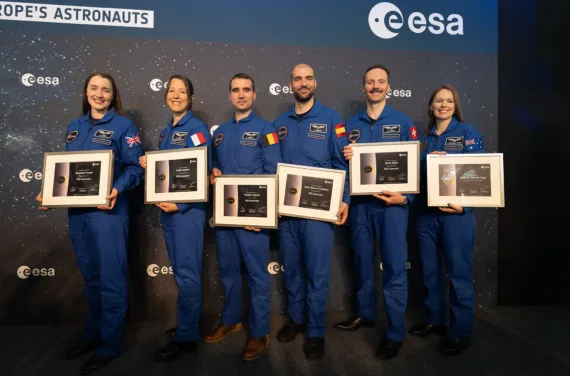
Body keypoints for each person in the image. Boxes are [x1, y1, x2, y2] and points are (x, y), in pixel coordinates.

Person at [36, 72, 144, 374]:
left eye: (105, 90)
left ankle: (110, 344)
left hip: (107, 211)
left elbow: (136, 168)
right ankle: (93, 335)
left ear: (113, 95)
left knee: (111, 279)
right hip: (78, 213)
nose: (99, 94)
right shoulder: (75, 127)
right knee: (91, 278)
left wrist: (116, 189)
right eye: (94, 88)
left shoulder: (123, 126)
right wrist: (51, 192)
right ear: (86, 92)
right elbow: (67, 174)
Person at [336, 64, 418, 360]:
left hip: (391, 206)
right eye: (370, 82)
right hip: (360, 206)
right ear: (363, 88)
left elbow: (413, 164)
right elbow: (341, 168)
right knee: (361, 262)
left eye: (381, 82)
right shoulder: (348, 125)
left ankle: (395, 332)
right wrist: (345, 158)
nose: (375, 86)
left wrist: (405, 196)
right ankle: (365, 313)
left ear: (388, 86)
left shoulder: (403, 121)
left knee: (395, 266)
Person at [273, 63, 350, 360]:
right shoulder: (279, 124)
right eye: (297, 79)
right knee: (292, 269)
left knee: (317, 273)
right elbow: (271, 166)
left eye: (307, 78)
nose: (302, 83)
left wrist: (345, 199)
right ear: (290, 84)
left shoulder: (332, 119)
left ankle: (316, 330)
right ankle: (297, 318)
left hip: (320, 211)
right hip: (288, 212)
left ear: (315, 83)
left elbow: (341, 164)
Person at [204, 73, 282, 361]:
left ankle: (260, 331)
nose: (241, 94)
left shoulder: (267, 129)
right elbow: (213, 164)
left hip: (253, 217)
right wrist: (213, 171)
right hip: (226, 217)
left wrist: (261, 215)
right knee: (229, 272)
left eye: (246, 90)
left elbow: (274, 172)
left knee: (258, 276)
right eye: (235, 90)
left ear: (254, 95)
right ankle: (232, 319)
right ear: (229, 95)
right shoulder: (220, 132)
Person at [138, 75, 211, 362]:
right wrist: (150, 164)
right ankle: (187, 325)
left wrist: (179, 205)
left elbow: (201, 172)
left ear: (191, 97)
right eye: (172, 91)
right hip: (169, 212)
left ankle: (188, 337)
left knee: (188, 275)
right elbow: (170, 171)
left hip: (187, 214)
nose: (176, 95)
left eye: (182, 92)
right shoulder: (166, 130)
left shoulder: (196, 129)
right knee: (182, 274)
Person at [408, 84, 485, 356]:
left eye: (449, 101)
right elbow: (412, 176)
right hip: (427, 215)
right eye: (438, 101)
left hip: (456, 216)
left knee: (458, 276)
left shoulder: (468, 133)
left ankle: (461, 332)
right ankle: (435, 320)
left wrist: (463, 205)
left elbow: (479, 174)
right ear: (431, 106)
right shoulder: (424, 140)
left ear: (455, 105)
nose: (443, 105)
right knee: (429, 273)